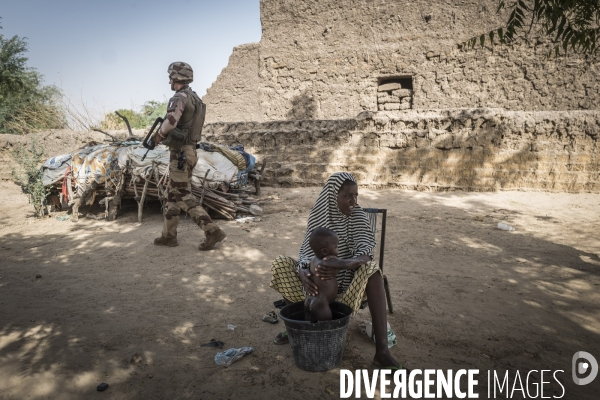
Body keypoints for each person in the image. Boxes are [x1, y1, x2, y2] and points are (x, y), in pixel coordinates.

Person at [270, 172, 403, 369]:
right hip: (314, 291)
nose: (353, 201)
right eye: (348, 195)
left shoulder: (357, 216)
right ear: (333, 195)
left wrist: (347, 263)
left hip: (348, 287)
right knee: (281, 263)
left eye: (356, 195)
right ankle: (298, 328)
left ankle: (382, 352)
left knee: (373, 271)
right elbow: (306, 252)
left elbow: (366, 252)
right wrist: (302, 272)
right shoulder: (318, 215)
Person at [153, 61, 226, 250]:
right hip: (190, 152)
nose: (169, 80)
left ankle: (212, 230)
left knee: (183, 194)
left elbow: (170, 121)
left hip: (180, 155)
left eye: (170, 76)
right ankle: (168, 236)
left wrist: (159, 135)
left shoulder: (180, 97)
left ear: (175, 78)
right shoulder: (195, 98)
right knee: (172, 194)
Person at [304, 227, 340, 323]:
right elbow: (347, 264)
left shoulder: (313, 260)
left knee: (308, 326)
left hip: (309, 299)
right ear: (324, 251)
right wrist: (358, 261)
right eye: (336, 247)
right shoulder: (328, 261)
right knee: (325, 328)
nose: (338, 250)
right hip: (321, 303)